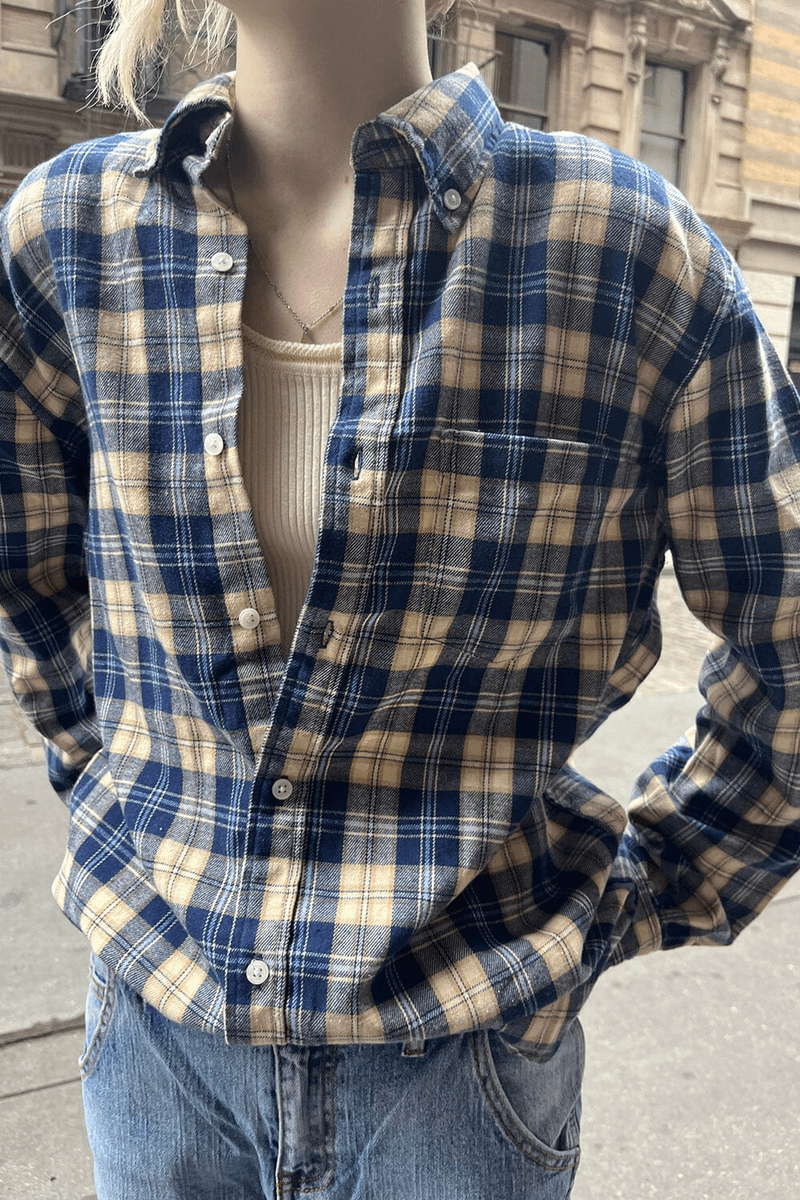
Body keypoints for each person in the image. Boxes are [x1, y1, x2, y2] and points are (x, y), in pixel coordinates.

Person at [1, 0, 798, 1196]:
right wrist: (121, 801)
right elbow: (32, 581)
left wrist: (643, 890)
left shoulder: (622, 249)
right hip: (157, 1053)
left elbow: (786, 631)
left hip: (457, 1078)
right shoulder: (66, 236)